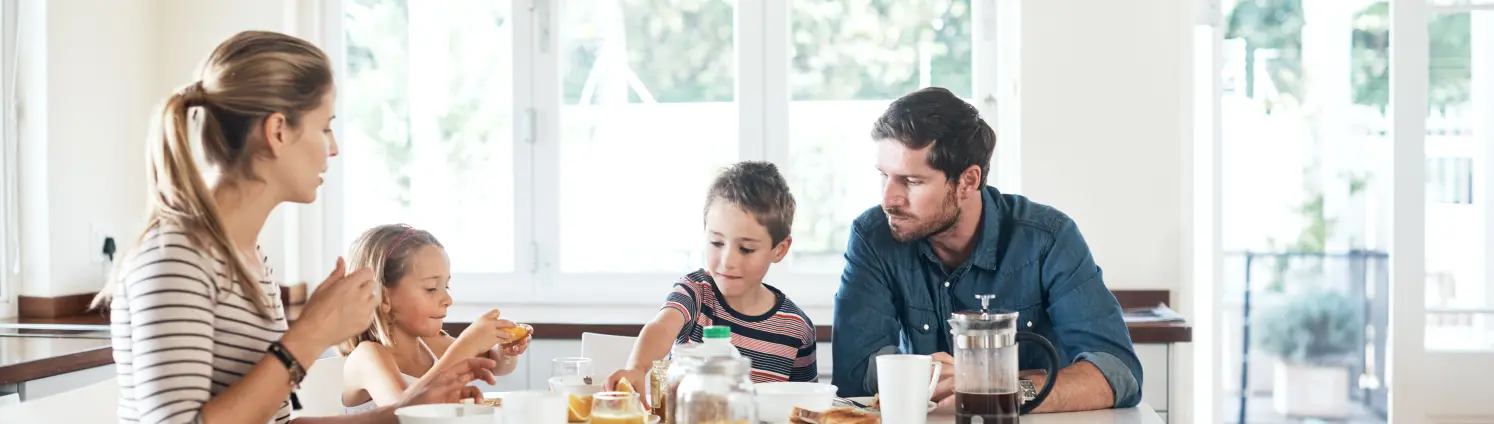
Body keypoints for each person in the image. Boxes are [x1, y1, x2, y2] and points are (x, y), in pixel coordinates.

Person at [98, 31, 497, 424]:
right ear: (277, 132)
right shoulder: (176, 258)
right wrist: (310, 334)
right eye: (324, 127)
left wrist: (397, 414)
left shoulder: (248, 259)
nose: (334, 147)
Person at [830, 87, 1143, 413]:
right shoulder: (872, 236)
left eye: (911, 181)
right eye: (884, 176)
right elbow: (854, 375)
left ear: (968, 181)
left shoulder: (1048, 238)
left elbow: (1118, 373)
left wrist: (993, 388)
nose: (888, 199)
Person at [607, 162, 819, 389]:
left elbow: (806, 404)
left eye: (746, 248)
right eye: (717, 242)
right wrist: (636, 368)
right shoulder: (695, 292)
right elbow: (661, 328)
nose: (728, 261)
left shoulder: (797, 328)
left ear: (779, 250)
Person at [339, 224, 533, 413]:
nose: (448, 299)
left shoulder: (432, 345)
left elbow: (496, 365)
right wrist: (468, 344)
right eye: (431, 288)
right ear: (384, 297)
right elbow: (400, 412)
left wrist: (506, 350)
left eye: (446, 286)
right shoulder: (367, 357)